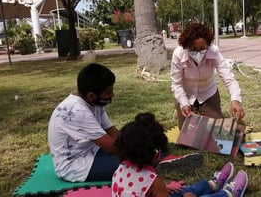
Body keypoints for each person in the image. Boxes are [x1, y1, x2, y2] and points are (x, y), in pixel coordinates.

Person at [48, 63, 202, 182]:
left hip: (92, 151)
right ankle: (160, 161)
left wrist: (140, 143)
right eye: (108, 93)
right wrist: (141, 151)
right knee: (135, 164)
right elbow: (111, 146)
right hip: (75, 166)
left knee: (141, 152)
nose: (112, 95)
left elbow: (112, 132)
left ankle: (162, 159)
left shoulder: (93, 104)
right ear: (91, 95)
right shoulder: (77, 111)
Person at [112, 112, 248, 197]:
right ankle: (228, 193)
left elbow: (140, 189)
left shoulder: (120, 169)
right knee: (187, 194)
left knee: (179, 191)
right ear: (153, 152)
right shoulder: (153, 181)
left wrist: (164, 189)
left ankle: (213, 185)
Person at [170, 22, 245, 129]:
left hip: (208, 94)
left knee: (215, 131)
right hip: (186, 95)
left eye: (202, 49)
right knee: (188, 135)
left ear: (208, 44)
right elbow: (176, 84)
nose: (199, 53)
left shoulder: (214, 52)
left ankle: (202, 111)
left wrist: (235, 100)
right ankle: (180, 110)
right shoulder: (178, 54)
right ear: (187, 45)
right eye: (194, 49)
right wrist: (184, 103)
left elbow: (229, 79)